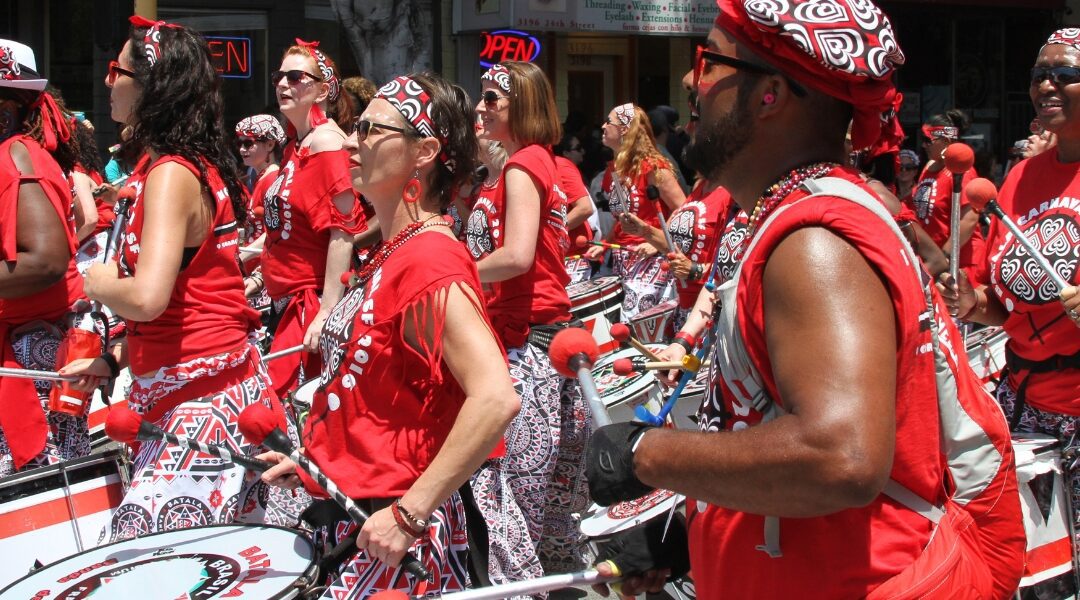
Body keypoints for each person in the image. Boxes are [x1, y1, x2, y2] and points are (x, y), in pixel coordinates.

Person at [586, 2, 1023, 598]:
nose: (691, 81)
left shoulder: (814, 242)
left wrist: (645, 453)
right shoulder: (795, 218)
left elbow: (840, 455)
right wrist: (695, 530)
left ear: (769, 94)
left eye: (709, 61)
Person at [260, 72, 519, 598]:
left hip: (394, 538)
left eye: (370, 130)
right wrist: (317, 464)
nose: (350, 142)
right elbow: (382, 397)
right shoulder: (395, 249)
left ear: (423, 152)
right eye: (355, 126)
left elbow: (495, 397)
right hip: (357, 514)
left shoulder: (429, 258)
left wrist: (409, 513)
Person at [59, 16, 300, 539]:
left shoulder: (171, 173)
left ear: (153, 86)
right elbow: (188, 296)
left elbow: (147, 298)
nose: (107, 81)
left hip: (201, 404)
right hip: (198, 392)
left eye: (117, 70)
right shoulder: (174, 166)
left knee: (149, 561)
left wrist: (97, 283)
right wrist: (114, 358)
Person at [941, 27, 1080, 598]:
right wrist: (975, 304)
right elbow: (1012, 307)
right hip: (1024, 406)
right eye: (1039, 74)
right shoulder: (1021, 178)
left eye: (1064, 74)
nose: (1046, 84)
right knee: (1031, 574)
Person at [467, 61, 592, 586]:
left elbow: (517, 257)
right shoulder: (538, 160)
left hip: (527, 342)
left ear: (521, 105)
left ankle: (521, 591)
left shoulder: (523, 165)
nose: (481, 107)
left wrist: (450, 269)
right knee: (544, 495)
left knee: (511, 494)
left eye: (492, 98)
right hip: (545, 338)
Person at [253, 40, 367, 400]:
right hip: (284, 303)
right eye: (279, 76)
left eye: (295, 77)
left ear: (323, 90)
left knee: (289, 414)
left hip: (311, 305)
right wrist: (254, 276)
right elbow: (286, 231)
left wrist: (326, 312)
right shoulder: (297, 146)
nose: (282, 84)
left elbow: (342, 231)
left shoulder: (327, 143)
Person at [0, 39, 88, 477]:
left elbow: (45, 260)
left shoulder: (16, 154)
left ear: (6, 109)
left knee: (38, 486)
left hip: (30, 351)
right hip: (27, 346)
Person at [584, 102, 686, 319]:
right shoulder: (617, 170)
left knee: (636, 324)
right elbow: (624, 219)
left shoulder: (653, 168)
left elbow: (684, 210)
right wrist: (604, 244)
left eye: (609, 122)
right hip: (623, 260)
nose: (603, 126)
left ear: (624, 130)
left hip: (652, 262)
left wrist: (655, 243)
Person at [907, 109, 986, 282]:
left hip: (960, 264)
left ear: (946, 140)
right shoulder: (928, 168)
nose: (924, 145)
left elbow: (969, 219)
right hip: (935, 262)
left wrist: (945, 254)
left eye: (928, 140)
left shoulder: (961, 170)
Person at [234, 114, 285, 312]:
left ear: (270, 145)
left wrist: (241, 255)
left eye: (248, 143)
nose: (242, 149)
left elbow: (274, 229)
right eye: (239, 143)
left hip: (263, 275)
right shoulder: (260, 178)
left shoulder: (272, 178)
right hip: (255, 272)